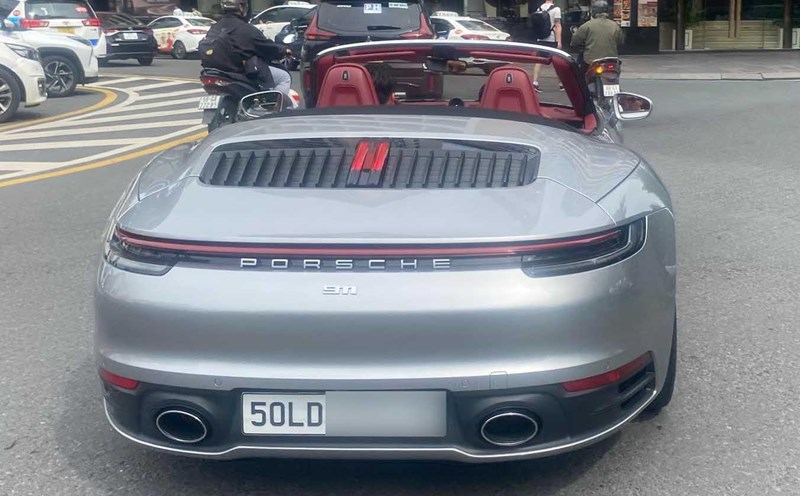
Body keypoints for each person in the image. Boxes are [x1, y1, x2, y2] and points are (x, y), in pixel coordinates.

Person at [200, 0, 290, 95]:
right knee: (284, 77)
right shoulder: (246, 29)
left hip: (215, 71)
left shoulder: (215, 27)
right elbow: (267, 47)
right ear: (241, 7)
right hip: (240, 71)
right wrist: (284, 50)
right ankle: (274, 107)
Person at [571, 0, 624, 71]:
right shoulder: (615, 26)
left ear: (594, 11)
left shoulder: (587, 25)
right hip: (611, 60)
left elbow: (575, 42)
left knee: (580, 73)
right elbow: (620, 42)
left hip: (591, 61)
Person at [529, 0, 562, 92]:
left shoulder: (539, 8)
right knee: (557, 62)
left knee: (539, 61)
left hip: (541, 38)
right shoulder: (556, 9)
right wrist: (559, 41)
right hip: (551, 38)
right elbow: (557, 25)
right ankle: (561, 83)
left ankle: (535, 82)